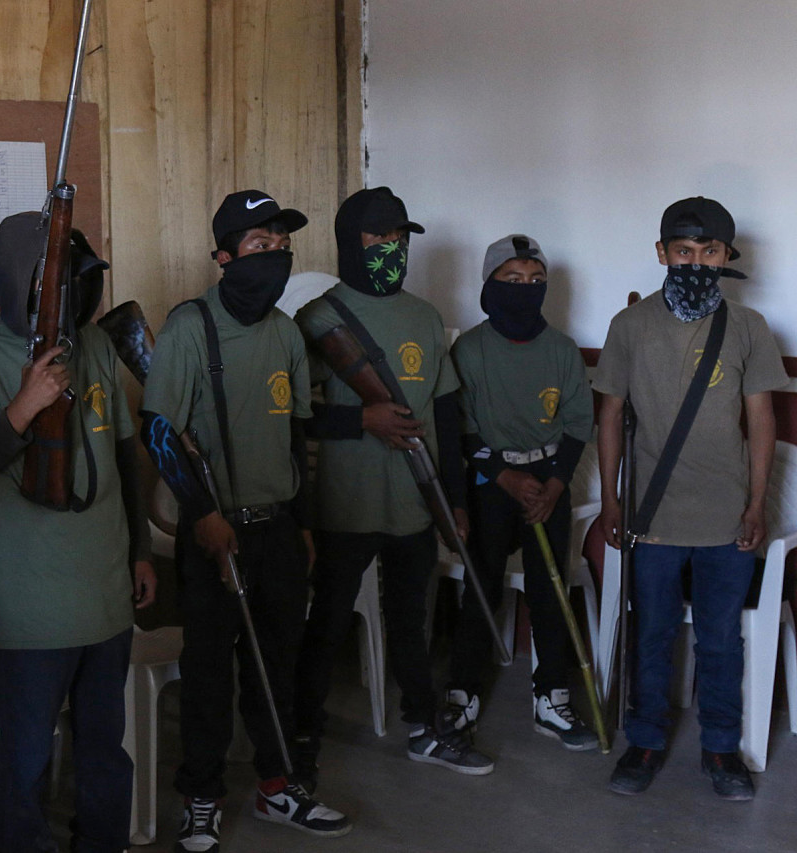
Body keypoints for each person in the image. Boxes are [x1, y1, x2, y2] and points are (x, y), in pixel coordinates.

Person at [141, 190, 351, 852]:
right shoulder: (188, 328)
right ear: (224, 256)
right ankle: (201, 796)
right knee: (209, 672)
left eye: (282, 244)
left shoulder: (287, 333)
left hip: (277, 529)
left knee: (277, 666)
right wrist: (202, 515)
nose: (276, 256)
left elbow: (296, 436)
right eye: (260, 245)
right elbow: (159, 430)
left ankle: (277, 783)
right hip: (214, 534)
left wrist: (304, 520)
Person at [0, 211, 156, 853]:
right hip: (33, 605)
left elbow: (122, 454)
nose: (72, 294)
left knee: (104, 749)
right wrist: (22, 408)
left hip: (106, 591)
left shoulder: (91, 343)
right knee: (27, 757)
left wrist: (142, 551)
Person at [292, 186, 491, 783]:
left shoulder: (424, 318)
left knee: (413, 621)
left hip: (413, 502)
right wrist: (361, 419)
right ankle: (300, 741)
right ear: (352, 243)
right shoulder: (316, 320)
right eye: (380, 238)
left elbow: (447, 415)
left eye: (400, 239)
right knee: (325, 625)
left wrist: (453, 501)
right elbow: (290, 415)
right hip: (342, 508)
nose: (392, 249)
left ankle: (425, 727)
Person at [595, 196, 787, 800]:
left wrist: (756, 504)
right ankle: (645, 741)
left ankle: (722, 749)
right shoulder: (630, 326)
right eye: (684, 251)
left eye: (709, 252)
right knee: (650, 632)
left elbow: (761, 422)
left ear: (728, 256)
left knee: (721, 639)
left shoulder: (750, 327)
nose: (696, 261)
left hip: (727, 518)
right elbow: (610, 414)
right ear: (662, 253)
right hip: (651, 516)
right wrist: (610, 499)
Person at [446, 234, 598, 749]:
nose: (526, 289)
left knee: (550, 591)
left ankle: (550, 697)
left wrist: (554, 485)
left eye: (536, 281)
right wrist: (503, 475)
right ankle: (463, 690)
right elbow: (462, 428)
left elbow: (578, 423)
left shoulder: (561, 350)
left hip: (547, 486)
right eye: (513, 280)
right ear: (490, 285)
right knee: (480, 584)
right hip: (492, 482)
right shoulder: (469, 349)